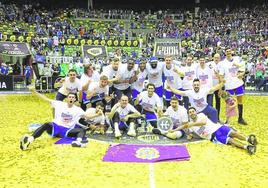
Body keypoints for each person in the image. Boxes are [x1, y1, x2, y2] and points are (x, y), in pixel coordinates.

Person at [20, 89, 92, 150]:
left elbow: (87, 116)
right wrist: (35, 92)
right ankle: (30, 140)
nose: (71, 98)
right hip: (56, 127)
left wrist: (98, 114)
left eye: (73, 97)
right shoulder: (59, 104)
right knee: (47, 124)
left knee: (82, 130)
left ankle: (78, 142)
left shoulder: (78, 109)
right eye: (69, 97)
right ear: (66, 98)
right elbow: (45, 99)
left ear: (75, 99)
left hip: (67, 130)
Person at [186, 107, 257, 155]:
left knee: (233, 133)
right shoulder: (191, 127)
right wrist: (189, 135)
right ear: (188, 115)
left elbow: (204, 122)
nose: (192, 113)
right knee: (231, 140)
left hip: (218, 127)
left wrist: (192, 125)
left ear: (196, 112)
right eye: (190, 112)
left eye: (193, 111)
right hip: (214, 136)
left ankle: (248, 139)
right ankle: (247, 147)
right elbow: (192, 134)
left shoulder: (201, 115)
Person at [219, 48, 247, 125]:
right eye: (227, 51)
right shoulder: (222, 63)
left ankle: (240, 118)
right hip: (229, 85)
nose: (228, 52)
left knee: (240, 101)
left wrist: (242, 73)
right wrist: (221, 86)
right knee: (229, 103)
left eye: (229, 51)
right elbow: (221, 75)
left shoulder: (237, 59)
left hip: (238, 83)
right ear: (225, 53)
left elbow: (243, 68)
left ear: (232, 51)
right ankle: (228, 120)